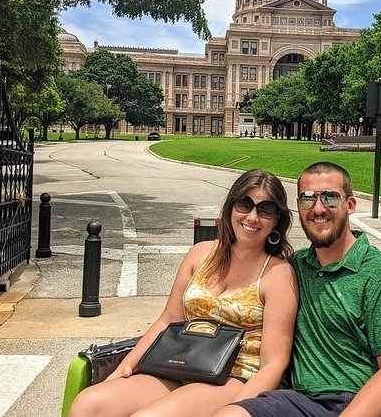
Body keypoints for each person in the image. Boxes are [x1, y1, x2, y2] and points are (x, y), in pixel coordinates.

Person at [70, 169, 298, 417]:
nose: (252, 217)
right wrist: (125, 367)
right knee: (88, 404)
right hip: (179, 364)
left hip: (234, 377)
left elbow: (274, 363)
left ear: (276, 220)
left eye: (265, 210)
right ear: (231, 207)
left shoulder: (278, 274)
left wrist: (240, 407)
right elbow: (168, 320)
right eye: (245, 204)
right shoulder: (201, 254)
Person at [215, 162, 381, 417]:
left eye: (330, 198)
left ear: (350, 205)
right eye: (308, 199)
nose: (318, 209)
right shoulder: (292, 269)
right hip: (307, 403)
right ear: (298, 207)